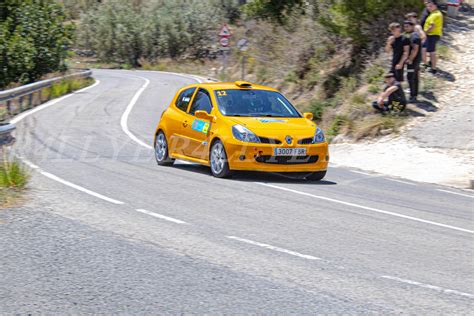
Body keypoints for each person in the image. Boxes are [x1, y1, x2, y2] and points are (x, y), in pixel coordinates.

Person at [423, 0, 443, 74]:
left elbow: (432, 26)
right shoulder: (435, 13)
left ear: (435, 5)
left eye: (431, 6)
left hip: (432, 35)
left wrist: (424, 33)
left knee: (432, 52)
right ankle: (429, 64)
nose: (429, 8)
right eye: (428, 6)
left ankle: (433, 69)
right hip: (432, 35)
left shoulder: (435, 15)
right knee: (427, 50)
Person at [404, 20, 422, 102]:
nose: (405, 28)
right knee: (414, 77)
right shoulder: (413, 35)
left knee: (410, 77)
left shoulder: (414, 36)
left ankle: (413, 96)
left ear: (412, 26)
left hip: (413, 61)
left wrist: (410, 59)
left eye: (407, 26)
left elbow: (415, 49)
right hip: (416, 60)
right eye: (405, 26)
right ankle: (414, 94)